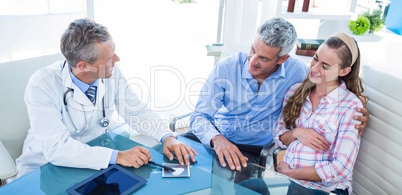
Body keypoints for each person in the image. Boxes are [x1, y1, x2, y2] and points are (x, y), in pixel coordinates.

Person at [16, 18, 197, 177]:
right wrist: (118, 156)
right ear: (84, 66)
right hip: (45, 167)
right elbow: (57, 149)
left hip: (96, 157)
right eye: (109, 57)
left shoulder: (110, 72)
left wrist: (167, 136)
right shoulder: (42, 84)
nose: (117, 59)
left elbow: (135, 109)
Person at [188, 17, 369, 171]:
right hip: (215, 137)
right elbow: (200, 116)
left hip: (250, 150)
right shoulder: (226, 68)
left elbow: (332, 79)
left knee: (231, 176)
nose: (252, 61)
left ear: (282, 59)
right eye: (253, 50)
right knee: (174, 153)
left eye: (264, 58)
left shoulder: (297, 73)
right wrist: (217, 139)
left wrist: (359, 108)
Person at [273, 32, 367, 195]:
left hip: (325, 189)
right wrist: (296, 133)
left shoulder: (350, 106)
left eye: (325, 66)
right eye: (315, 58)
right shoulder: (294, 92)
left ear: (344, 71)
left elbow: (341, 169)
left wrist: (291, 173)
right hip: (292, 183)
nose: (314, 68)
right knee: (247, 186)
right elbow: (279, 137)